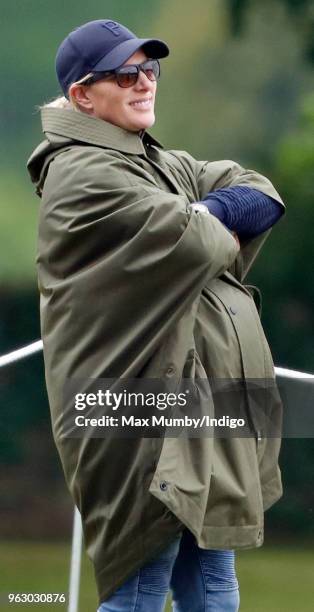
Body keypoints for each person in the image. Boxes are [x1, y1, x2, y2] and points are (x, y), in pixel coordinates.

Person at [27, 19, 285, 612]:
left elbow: (260, 192)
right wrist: (204, 218)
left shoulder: (150, 159)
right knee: (140, 593)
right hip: (137, 416)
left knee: (214, 585)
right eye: (125, 74)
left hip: (192, 408)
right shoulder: (84, 174)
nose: (145, 84)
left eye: (150, 70)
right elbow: (199, 242)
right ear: (81, 96)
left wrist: (204, 209)